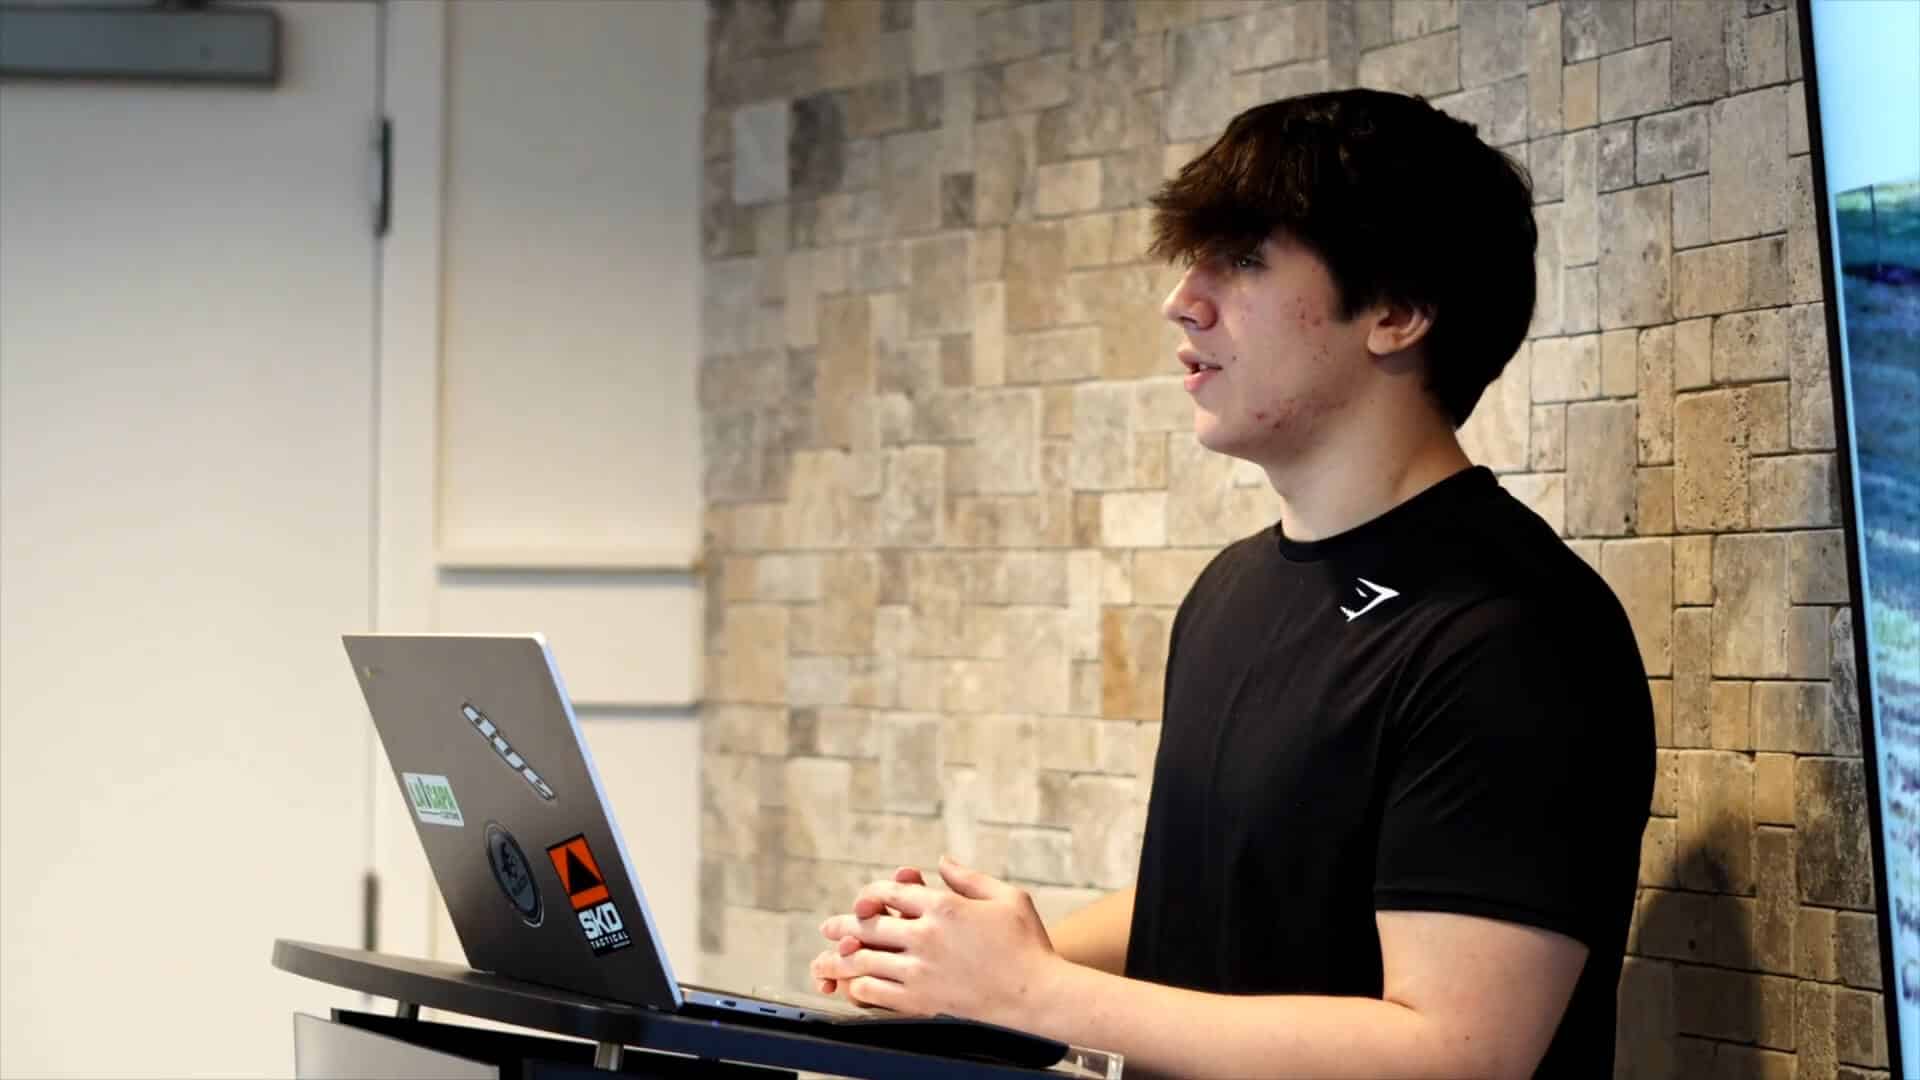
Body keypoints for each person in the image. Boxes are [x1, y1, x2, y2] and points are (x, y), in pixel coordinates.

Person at [809, 88, 1656, 1079]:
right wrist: (957, 969)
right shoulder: (1232, 591)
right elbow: (1236, 903)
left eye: (1244, 259)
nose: (1184, 299)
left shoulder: (1513, 635)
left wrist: (1035, 992)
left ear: (1397, 309)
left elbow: (1457, 1050)